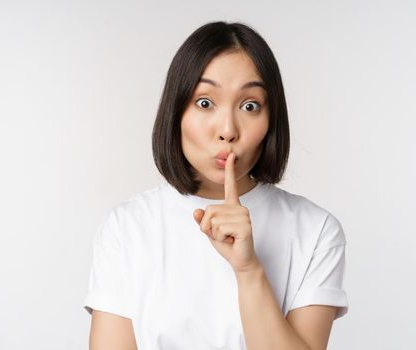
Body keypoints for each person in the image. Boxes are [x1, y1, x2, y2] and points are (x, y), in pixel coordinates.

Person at [84, 21, 349, 350]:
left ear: (271, 120)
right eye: (205, 102)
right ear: (176, 111)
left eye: (249, 106)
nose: (227, 130)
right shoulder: (127, 227)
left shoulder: (316, 230)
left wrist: (248, 269)